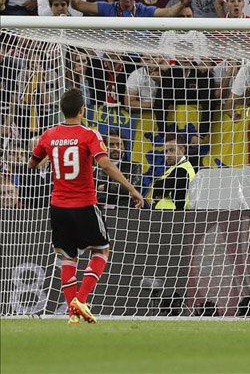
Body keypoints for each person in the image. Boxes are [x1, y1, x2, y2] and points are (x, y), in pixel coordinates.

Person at [28, 88, 143, 325]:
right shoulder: (89, 134)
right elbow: (105, 165)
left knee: (67, 259)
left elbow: (32, 163)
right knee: (101, 251)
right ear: (82, 110)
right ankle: (80, 299)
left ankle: (73, 314)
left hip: (58, 206)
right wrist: (132, 189)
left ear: (62, 110)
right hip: (84, 204)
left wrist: (51, 156)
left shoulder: (49, 135)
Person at [95, 129, 142, 208]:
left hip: (126, 208)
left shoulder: (134, 166)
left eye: (118, 144)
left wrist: (105, 187)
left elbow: (133, 188)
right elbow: (95, 192)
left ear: (124, 147)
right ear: (105, 147)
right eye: (111, 144)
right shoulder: (96, 168)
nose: (115, 148)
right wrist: (124, 184)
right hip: (101, 208)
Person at [147, 133, 195, 210]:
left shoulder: (182, 170)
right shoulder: (175, 168)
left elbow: (158, 188)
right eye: (166, 151)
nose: (168, 154)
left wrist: (158, 184)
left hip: (174, 216)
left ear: (182, 150)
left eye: (172, 150)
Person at [70, 0, 192, 17]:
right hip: (112, 57)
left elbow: (169, 13)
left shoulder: (143, 9)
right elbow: (77, 4)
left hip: (137, 59)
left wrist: (182, 3)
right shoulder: (108, 8)